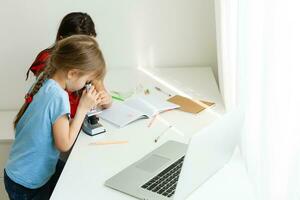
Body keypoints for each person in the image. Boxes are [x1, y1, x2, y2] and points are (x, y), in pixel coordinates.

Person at [4, 35, 106, 199]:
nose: (85, 85)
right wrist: (82, 109)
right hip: (28, 183)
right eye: (87, 80)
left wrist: (77, 117)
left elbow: (52, 124)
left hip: (19, 172)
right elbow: (64, 144)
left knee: (71, 174)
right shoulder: (59, 97)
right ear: (72, 73)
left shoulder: (47, 82)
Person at [26, 12, 112, 118]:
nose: (88, 52)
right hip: (62, 123)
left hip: (78, 121)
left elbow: (103, 100)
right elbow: (54, 107)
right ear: (62, 40)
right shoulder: (47, 60)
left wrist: (106, 98)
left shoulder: (86, 61)